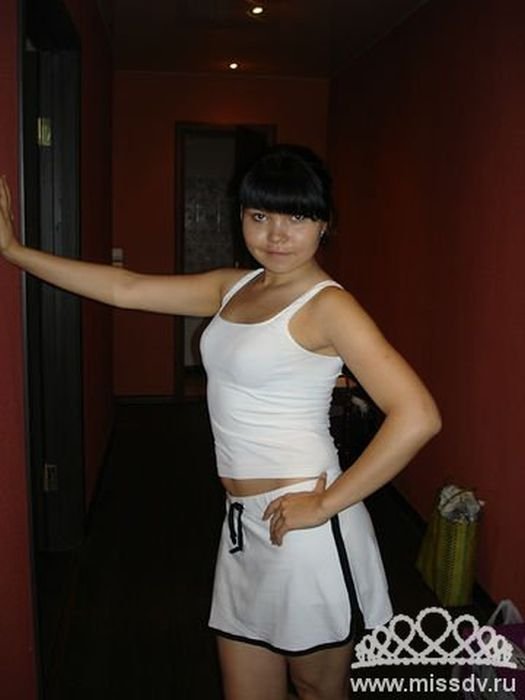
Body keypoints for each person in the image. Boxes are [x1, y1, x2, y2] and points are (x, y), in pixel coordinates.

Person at [0, 145, 441, 700]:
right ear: (241, 217)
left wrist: (325, 505)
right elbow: (125, 289)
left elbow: (417, 415)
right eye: (260, 215)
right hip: (242, 525)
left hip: (305, 526)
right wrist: (14, 251)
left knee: (316, 689)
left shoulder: (329, 306)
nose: (276, 234)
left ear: (324, 224)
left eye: (296, 217)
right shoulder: (234, 287)